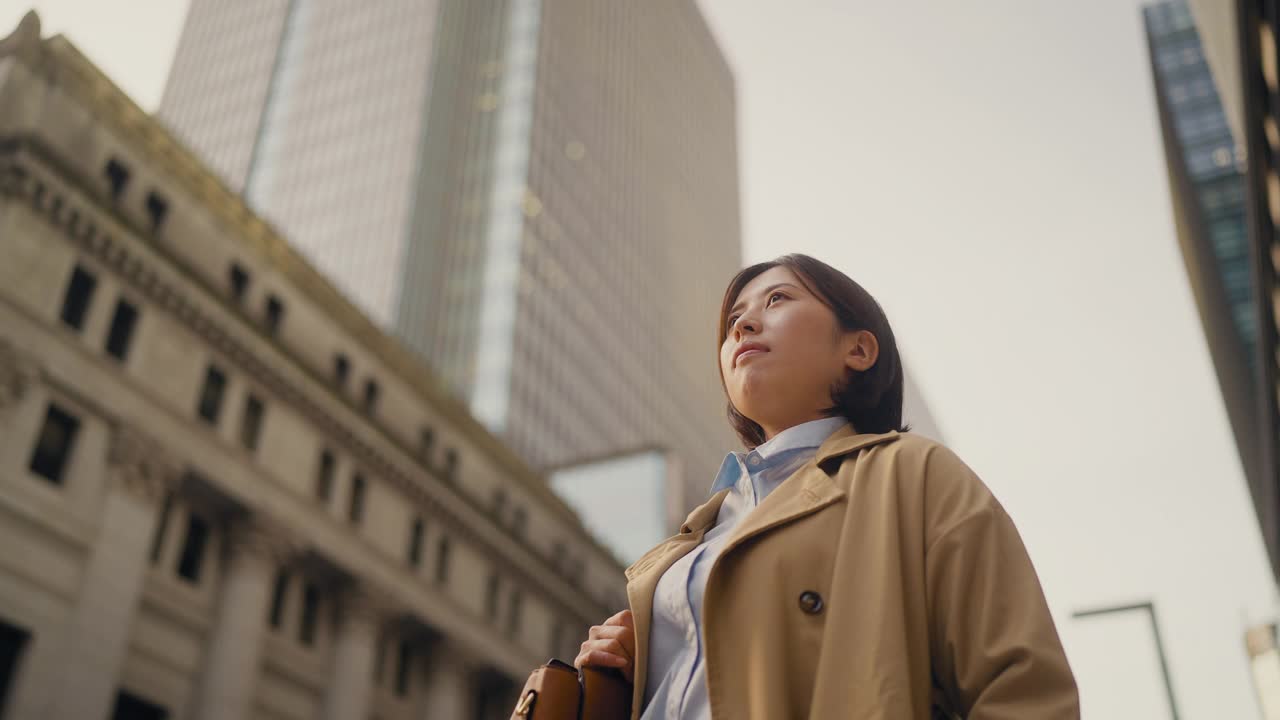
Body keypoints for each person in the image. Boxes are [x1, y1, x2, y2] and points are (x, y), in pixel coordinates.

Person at [574, 254, 1079, 719]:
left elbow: (1022, 690)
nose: (744, 324)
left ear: (858, 349)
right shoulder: (690, 539)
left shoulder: (913, 472)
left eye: (777, 299)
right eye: (733, 322)